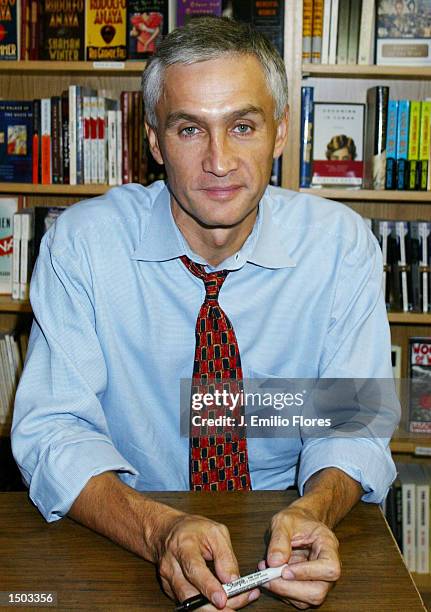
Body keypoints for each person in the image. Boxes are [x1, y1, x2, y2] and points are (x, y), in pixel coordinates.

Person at [12, 17, 399, 611]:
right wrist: (158, 528)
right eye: (190, 128)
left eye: (242, 126)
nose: (219, 162)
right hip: (126, 535)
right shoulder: (83, 246)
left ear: (280, 133)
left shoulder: (339, 247)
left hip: (282, 543)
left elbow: (351, 420)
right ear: (153, 141)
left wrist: (312, 510)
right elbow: (52, 429)